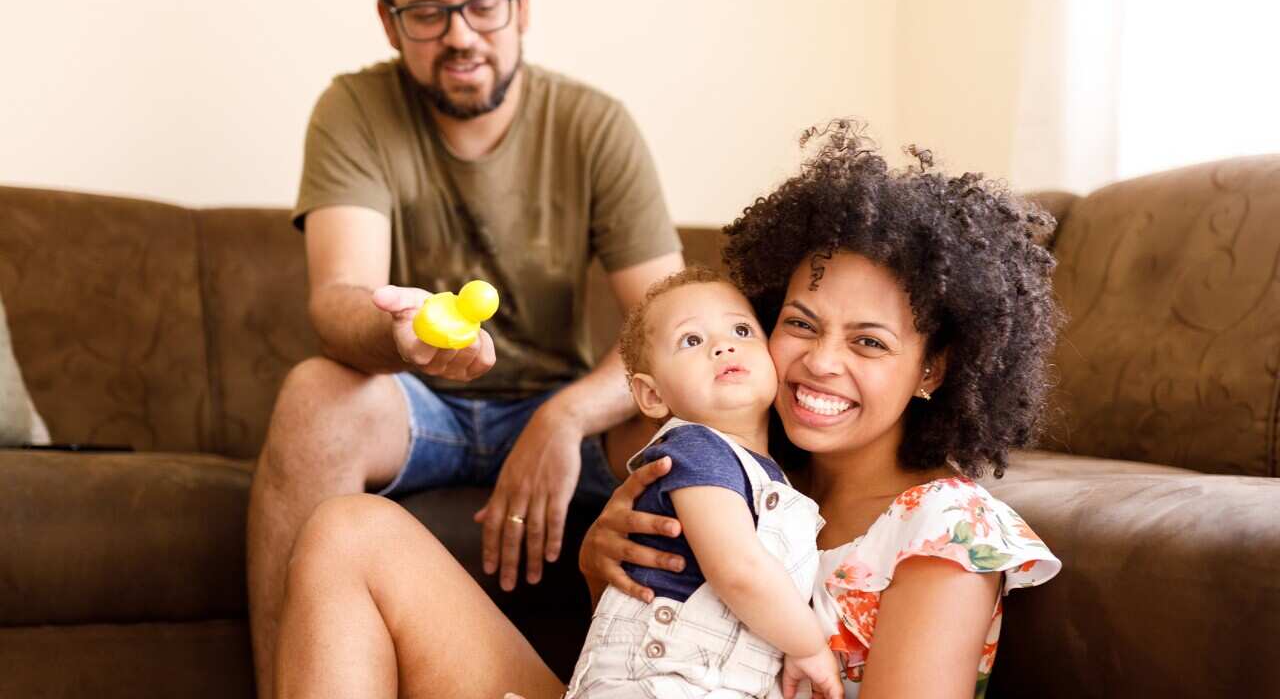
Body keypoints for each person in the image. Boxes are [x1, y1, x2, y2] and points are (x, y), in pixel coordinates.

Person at [271, 122, 1062, 699]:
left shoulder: (944, 533)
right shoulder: (734, 464)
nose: (822, 362)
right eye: (798, 323)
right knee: (349, 533)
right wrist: (599, 570)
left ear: (934, 367)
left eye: (870, 343)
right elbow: (638, 655)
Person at [245, 0, 683, 696]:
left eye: (482, 3)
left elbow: (667, 319)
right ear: (389, 24)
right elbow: (336, 299)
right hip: (421, 399)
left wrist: (565, 416)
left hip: (559, 399)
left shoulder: (594, 123)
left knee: (684, 408)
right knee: (313, 395)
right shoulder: (352, 109)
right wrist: (404, 333)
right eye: (427, 11)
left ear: (524, 6)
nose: (460, 34)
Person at [563, 266, 841, 698]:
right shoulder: (695, 448)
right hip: (654, 683)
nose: (724, 345)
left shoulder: (773, 477)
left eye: (742, 330)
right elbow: (739, 570)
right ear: (653, 395)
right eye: (692, 340)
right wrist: (809, 645)